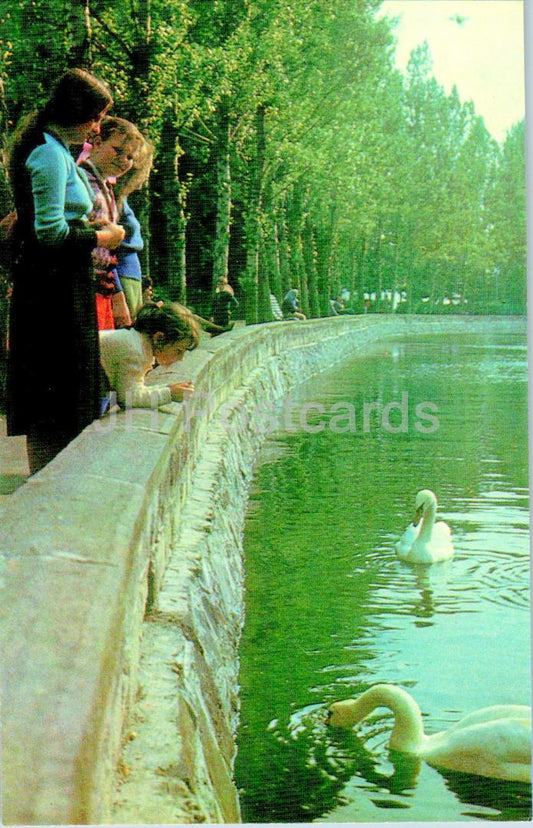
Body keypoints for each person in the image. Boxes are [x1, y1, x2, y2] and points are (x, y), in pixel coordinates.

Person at [6, 68, 125, 473]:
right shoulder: (47, 153)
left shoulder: (54, 148)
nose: (96, 128)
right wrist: (102, 238)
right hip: (51, 289)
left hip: (60, 282)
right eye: (94, 117)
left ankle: (57, 481)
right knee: (54, 398)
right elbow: (50, 232)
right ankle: (49, 486)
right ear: (76, 111)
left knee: (62, 395)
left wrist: (94, 231)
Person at [80, 116, 142, 329]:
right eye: (117, 150)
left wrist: (116, 295)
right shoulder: (81, 180)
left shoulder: (106, 187)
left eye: (130, 157)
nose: (123, 160)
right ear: (97, 143)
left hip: (102, 286)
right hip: (83, 286)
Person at [99, 302, 198, 409]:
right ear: (159, 338)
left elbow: (136, 389)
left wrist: (167, 387)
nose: (181, 358)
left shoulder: (138, 342)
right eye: (178, 351)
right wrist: (170, 394)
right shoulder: (135, 351)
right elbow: (128, 398)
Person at [113, 132, 154, 319]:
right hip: (121, 275)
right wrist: (117, 291)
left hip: (130, 275)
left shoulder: (121, 198)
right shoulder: (110, 196)